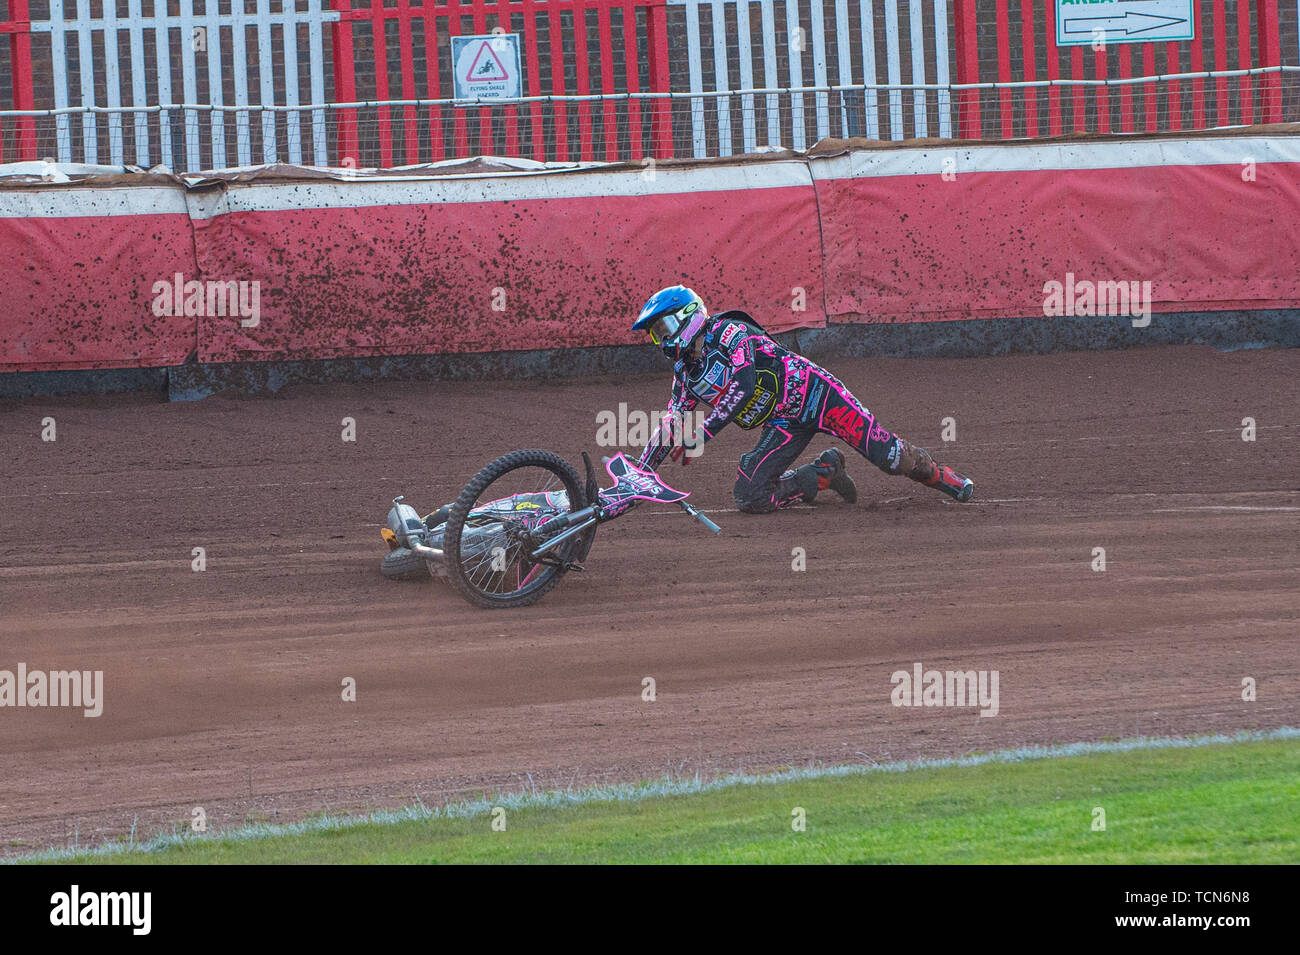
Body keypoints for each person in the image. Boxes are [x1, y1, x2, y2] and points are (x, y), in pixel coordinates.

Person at [631, 285, 974, 513]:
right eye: (656, 333)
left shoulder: (729, 332)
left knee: (889, 457)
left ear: (689, 316)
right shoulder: (686, 373)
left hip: (820, 397)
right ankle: (823, 474)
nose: (661, 339)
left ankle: (940, 475)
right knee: (750, 496)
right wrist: (640, 475)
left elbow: (745, 385)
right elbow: (671, 424)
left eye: (664, 327)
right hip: (784, 421)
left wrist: (703, 433)